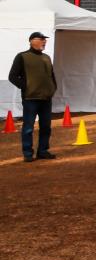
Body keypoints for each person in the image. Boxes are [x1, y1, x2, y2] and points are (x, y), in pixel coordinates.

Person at [8, 31, 57, 162]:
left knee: (46, 126)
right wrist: (25, 86)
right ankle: (28, 154)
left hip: (46, 98)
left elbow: (51, 76)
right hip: (30, 98)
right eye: (41, 39)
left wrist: (53, 88)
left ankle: (43, 151)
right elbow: (12, 76)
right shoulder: (22, 57)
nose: (44, 41)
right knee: (28, 127)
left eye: (44, 40)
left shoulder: (46, 57)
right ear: (31, 41)